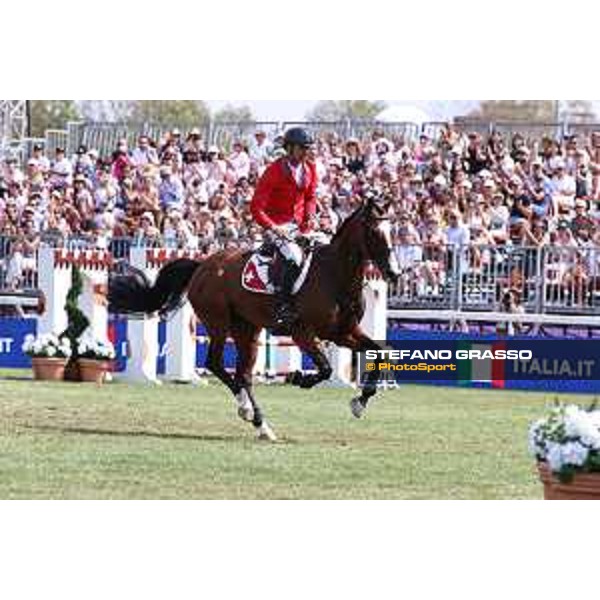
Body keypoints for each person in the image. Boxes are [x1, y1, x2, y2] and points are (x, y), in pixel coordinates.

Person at [250, 127, 317, 332]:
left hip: (299, 225)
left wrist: (310, 217)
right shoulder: (274, 171)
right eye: (302, 148)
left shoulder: (310, 168)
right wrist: (273, 228)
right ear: (289, 148)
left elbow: (310, 198)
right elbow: (256, 208)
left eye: (308, 148)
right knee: (294, 257)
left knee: (323, 249)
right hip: (275, 223)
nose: (306, 152)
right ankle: (283, 308)